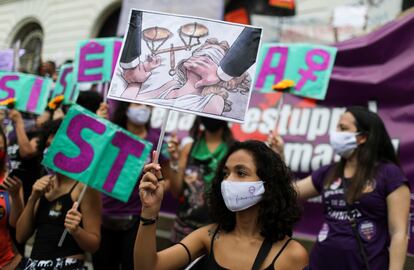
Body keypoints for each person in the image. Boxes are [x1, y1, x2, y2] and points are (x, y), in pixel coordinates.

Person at [269, 106, 410, 270]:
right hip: (320, 264)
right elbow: (290, 192)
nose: (335, 133)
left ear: (362, 137)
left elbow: (399, 233)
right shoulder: (329, 172)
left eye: (343, 128)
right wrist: (278, 157)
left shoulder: (389, 174)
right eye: (337, 127)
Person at [134, 140, 309, 270]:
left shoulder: (292, 255)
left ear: (268, 184)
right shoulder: (209, 236)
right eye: (226, 173)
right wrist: (149, 211)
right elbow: (148, 267)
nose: (228, 180)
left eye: (241, 172)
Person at [92, 101, 173, 270]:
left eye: (147, 105)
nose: (143, 109)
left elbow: (168, 179)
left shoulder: (157, 141)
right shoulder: (110, 133)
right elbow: (90, 159)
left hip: (136, 220)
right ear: (125, 108)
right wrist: (98, 124)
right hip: (104, 217)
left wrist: (155, 191)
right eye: (137, 104)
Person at [16, 119, 101, 270]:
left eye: (56, 146)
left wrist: (76, 231)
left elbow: (94, 245)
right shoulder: (44, 183)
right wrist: (33, 198)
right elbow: (20, 236)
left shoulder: (84, 188)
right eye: (48, 146)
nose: (50, 151)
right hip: (35, 264)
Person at [120, 38, 251, 119]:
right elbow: (128, 100)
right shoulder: (172, 85)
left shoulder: (214, 100)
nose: (200, 56)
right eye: (200, 51)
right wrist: (138, 80)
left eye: (210, 56)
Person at [167, 116, 234, 243]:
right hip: (184, 230)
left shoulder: (233, 151)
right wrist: (174, 161)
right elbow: (176, 192)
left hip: (217, 233)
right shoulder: (189, 148)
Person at [0, 126, 24, 270]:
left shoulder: (10, 180)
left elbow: (16, 224)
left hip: (7, 262)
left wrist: (15, 196)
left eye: (1, 148)